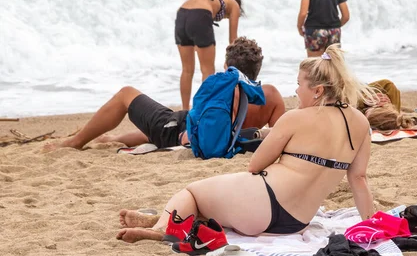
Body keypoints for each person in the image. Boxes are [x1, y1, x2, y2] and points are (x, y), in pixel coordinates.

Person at [116, 44, 376, 244]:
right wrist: (372, 226)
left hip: (262, 206)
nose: (296, 92)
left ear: (317, 91)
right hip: (295, 223)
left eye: (299, 85)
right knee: (220, 202)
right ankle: (158, 219)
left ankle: (164, 230)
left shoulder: (296, 118)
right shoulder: (361, 125)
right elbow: (359, 181)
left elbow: (255, 165)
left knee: (193, 192)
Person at [44, 37, 284, 151]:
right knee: (153, 129)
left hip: (179, 131)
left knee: (126, 95)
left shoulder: (224, 88)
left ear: (226, 66)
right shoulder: (272, 95)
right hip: (186, 126)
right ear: (257, 70)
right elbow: (281, 135)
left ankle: (74, 143)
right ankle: (108, 140)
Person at [176, 0, 243, 110]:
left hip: (181, 14)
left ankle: (184, 111)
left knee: (187, 70)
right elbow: (233, 40)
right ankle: (202, 110)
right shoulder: (234, 5)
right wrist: (231, 62)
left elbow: (193, 20)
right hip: (200, 15)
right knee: (208, 70)